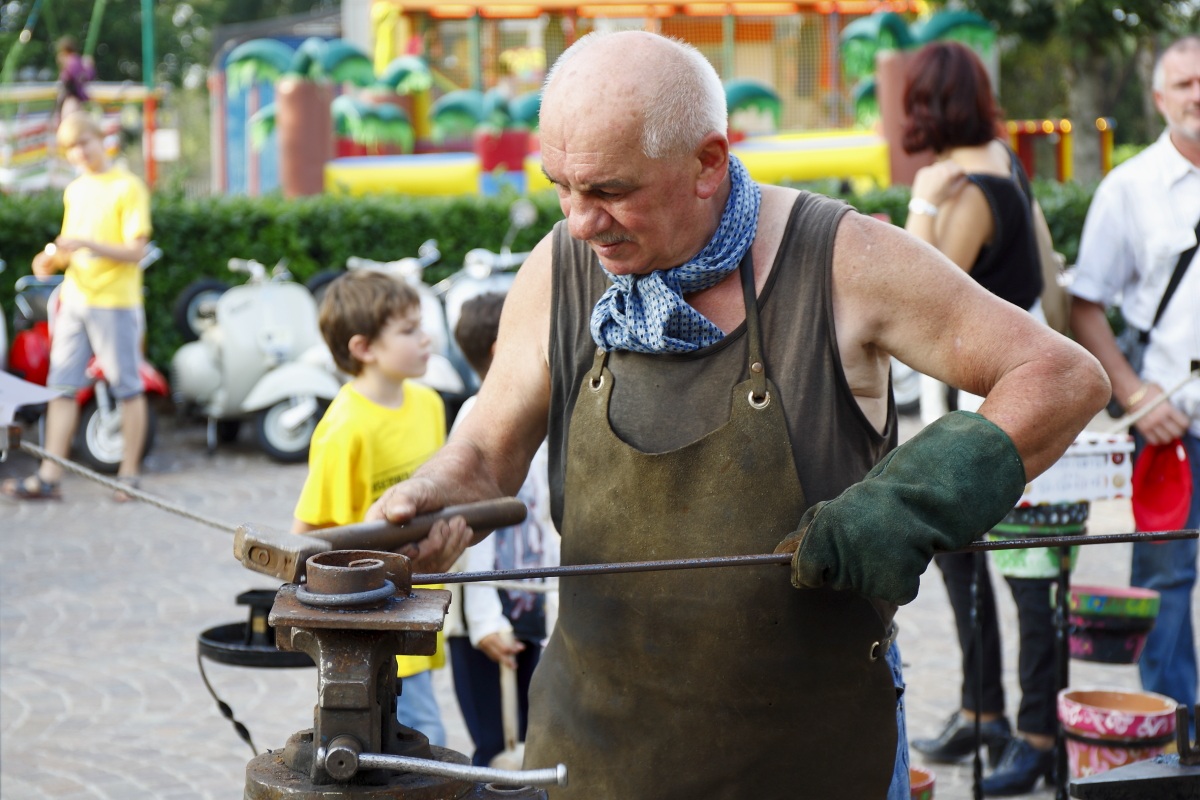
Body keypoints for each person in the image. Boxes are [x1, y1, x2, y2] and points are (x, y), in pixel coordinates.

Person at [367, 31, 1109, 800]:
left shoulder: (843, 260)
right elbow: (486, 452)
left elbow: (1059, 374)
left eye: (610, 190)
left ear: (708, 162)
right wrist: (438, 490)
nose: (581, 220)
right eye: (562, 185)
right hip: (596, 752)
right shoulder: (560, 268)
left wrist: (911, 501)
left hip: (813, 762)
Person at [899, 42, 1059, 796]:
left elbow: (919, 299)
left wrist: (924, 202)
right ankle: (988, 714)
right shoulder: (1007, 164)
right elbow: (1050, 281)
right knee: (984, 564)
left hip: (992, 408)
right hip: (1005, 399)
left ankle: (1028, 734)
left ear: (926, 103)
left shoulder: (960, 182)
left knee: (1015, 572)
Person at [1070, 36, 1200, 725]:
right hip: (1172, 426)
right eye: (1182, 84)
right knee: (1167, 588)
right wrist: (1134, 393)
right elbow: (1083, 302)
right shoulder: (1130, 188)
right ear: (1159, 99)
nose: (1196, 94)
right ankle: (1179, 748)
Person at [291, 269, 449, 747]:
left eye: (422, 325)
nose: (426, 339)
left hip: (420, 605)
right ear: (363, 348)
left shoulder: (429, 404)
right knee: (419, 750)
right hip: (370, 626)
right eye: (408, 331)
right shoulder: (345, 430)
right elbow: (308, 538)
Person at [2, 111, 150, 502]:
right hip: (74, 300)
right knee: (61, 389)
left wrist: (87, 245)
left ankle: (129, 475)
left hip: (115, 304)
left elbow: (137, 250)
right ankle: (49, 475)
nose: (78, 153)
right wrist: (51, 260)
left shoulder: (128, 186)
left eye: (82, 143)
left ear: (101, 138)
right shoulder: (76, 190)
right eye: (69, 148)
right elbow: (70, 249)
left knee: (128, 389)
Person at [444, 292, 560, 767]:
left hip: (535, 607)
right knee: (495, 749)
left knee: (537, 743)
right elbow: (473, 532)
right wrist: (486, 619)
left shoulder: (549, 416)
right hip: (486, 618)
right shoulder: (476, 417)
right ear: (502, 349)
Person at [54, 36, 95, 123]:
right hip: (77, 97)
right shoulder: (78, 60)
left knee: (67, 120)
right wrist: (90, 68)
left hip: (71, 95)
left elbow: (72, 78)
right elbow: (87, 76)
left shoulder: (71, 61)